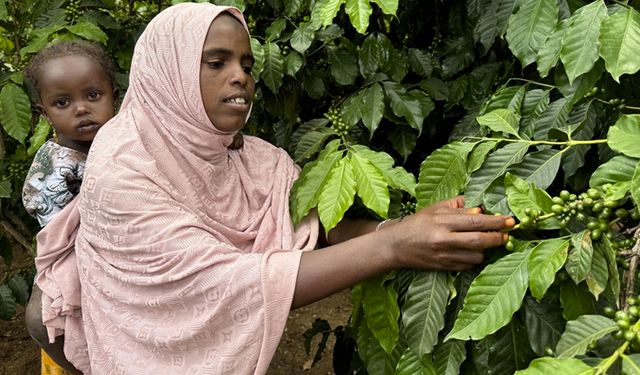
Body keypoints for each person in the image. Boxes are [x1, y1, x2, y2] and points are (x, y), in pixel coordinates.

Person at [36, 3, 514, 374]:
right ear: (169, 73)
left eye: (245, 63)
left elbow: (309, 225)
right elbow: (219, 286)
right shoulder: (122, 166)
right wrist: (394, 246)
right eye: (216, 62)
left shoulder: (248, 155)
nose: (239, 75)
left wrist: (401, 227)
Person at [21, 41, 118, 375]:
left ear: (114, 96)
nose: (81, 109)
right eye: (63, 102)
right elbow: (60, 234)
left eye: (93, 96)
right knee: (39, 318)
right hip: (73, 255)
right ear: (45, 112)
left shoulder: (124, 140)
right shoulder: (52, 168)